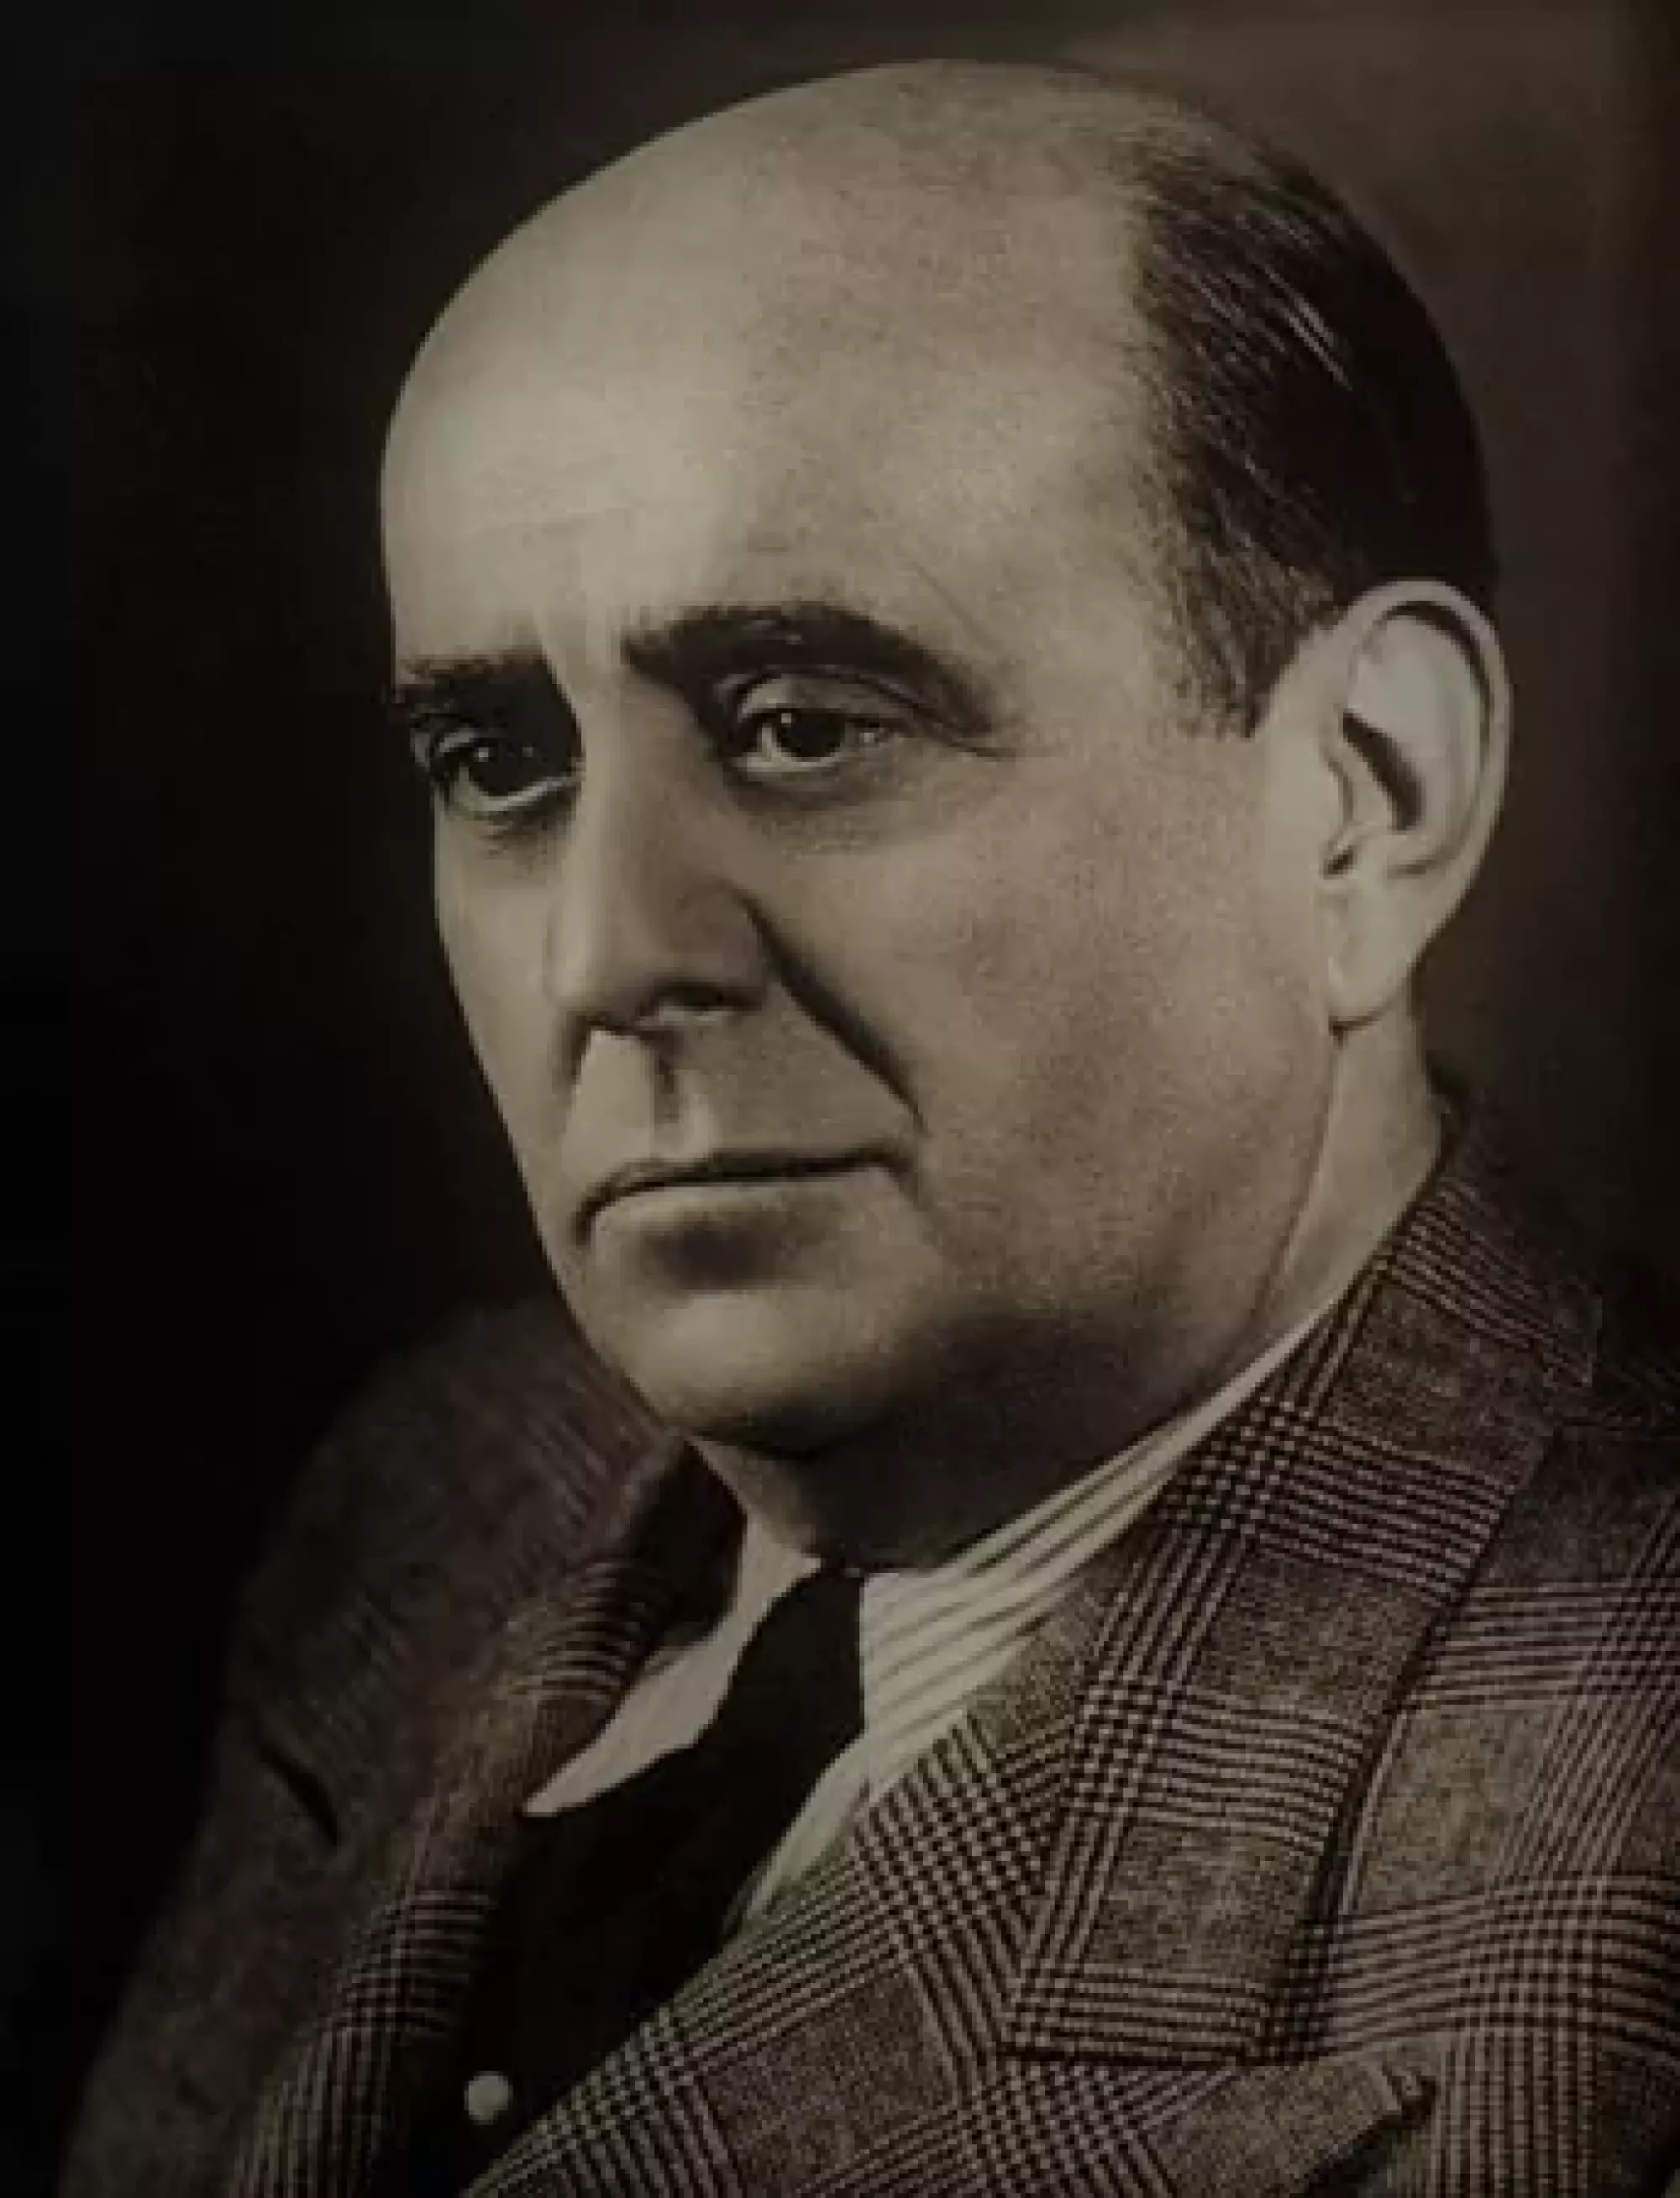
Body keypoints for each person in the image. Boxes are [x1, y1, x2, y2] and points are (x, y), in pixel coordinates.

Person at [65, 59, 1677, 2197]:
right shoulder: (445, 1490)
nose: (604, 959)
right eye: (499, 761)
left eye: (805, 726)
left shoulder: (1613, 1906)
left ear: (1364, 799)